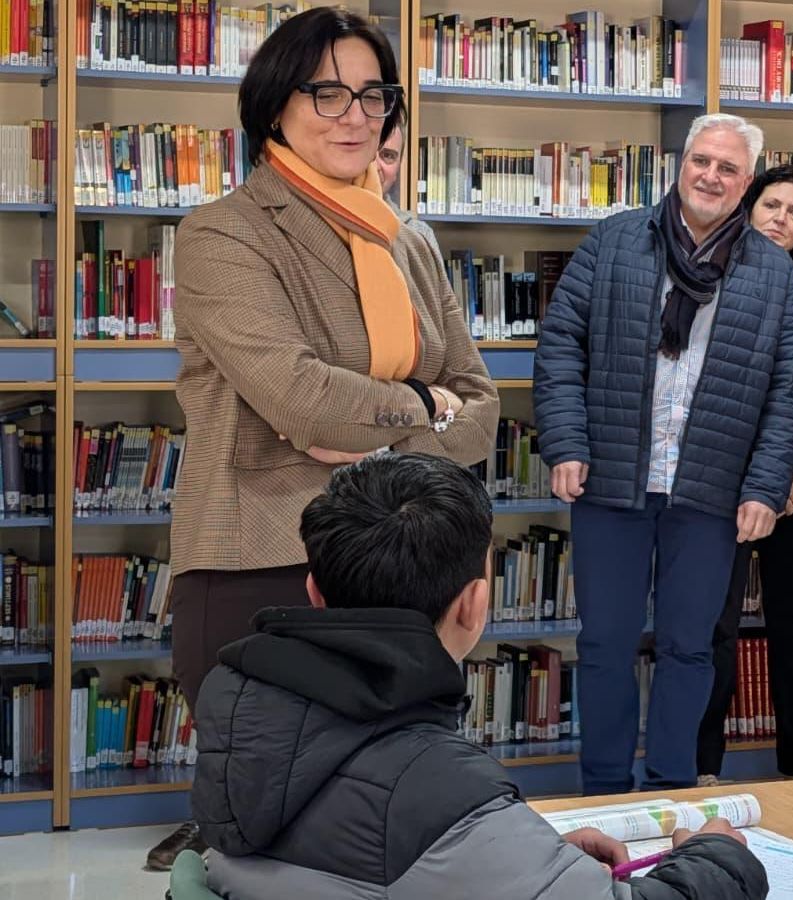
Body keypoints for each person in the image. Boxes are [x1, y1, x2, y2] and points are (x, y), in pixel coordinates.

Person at [152, 7, 498, 870]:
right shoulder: (223, 234)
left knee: (389, 841)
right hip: (262, 566)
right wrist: (426, 406)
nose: (355, 115)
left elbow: (484, 404)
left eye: (372, 95)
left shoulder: (409, 240)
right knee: (281, 852)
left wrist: (383, 421)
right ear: (276, 106)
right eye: (327, 92)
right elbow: (303, 400)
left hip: (403, 565)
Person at [190, 452, 769, 899]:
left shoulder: (239, 718)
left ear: (313, 593)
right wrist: (719, 856)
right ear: (475, 604)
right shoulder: (441, 788)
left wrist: (530, 866)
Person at [534, 113, 793, 796]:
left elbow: (784, 388)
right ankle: (601, 791)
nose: (710, 176)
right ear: (680, 165)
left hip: (710, 491)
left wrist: (766, 487)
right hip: (613, 481)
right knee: (603, 647)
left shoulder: (771, 271)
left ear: (746, 183)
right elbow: (561, 343)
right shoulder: (615, 240)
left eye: (727, 168)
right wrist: (566, 440)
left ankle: (672, 790)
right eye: (700, 162)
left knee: (690, 648)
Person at [696, 166, 793, 786]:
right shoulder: (708, 282)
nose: (780, 218)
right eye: (771, 205)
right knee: (712, 629)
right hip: (719, 485)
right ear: (748, 209)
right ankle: (699, 766)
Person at [374, 122, 445, 268]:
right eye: (366, 152)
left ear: (399, 165)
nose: (375, 166)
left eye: (387, 155)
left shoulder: (419, 234)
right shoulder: (320, 226)